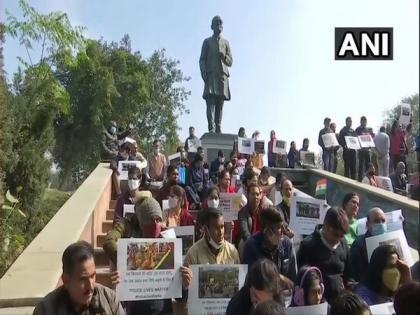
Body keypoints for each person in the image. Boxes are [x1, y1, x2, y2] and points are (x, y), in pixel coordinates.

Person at [103, 197, 173, 314]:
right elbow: (109, 242)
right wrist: (125, 263)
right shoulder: (128, 227)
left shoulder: (167, 238)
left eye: (158, 220)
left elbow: (179, 289)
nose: (156, 224)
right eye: (151, 220)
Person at [33, 241, 124, 315]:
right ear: (66, 280)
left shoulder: (110, 299)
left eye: (92, 276)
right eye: (83, 279)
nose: (90, 286)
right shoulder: (45, 310)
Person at [297, 207, 351, 302]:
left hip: (339, 301)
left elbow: (348, 272)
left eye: (341, 236)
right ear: (325, 226)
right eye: (335, 234)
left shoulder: (343, 244)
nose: (338, 239)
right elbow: (303, 279)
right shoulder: (308, 246)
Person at [181, 208, 240, 289]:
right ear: (206, 229)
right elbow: (184, 293)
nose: (221, 232)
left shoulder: (232, 251)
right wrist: (185, 285)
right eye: (216, 228)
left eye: (222, 227)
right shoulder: (193, 253)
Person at [242, 207, 297, 289]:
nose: (283, 230)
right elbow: (253, 279)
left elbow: (294, 278)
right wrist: (279, 278)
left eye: (283, 226)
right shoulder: (251, 246)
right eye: (279, 227)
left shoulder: (287, 244)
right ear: (267, 230)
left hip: (284, 297)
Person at [199, 15, 233, 133]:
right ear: (212, 26)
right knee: (211, 102)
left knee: (220, 103)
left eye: (221, 24)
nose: (219, 26)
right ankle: (211, 127)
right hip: (211, 74)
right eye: (216, 24)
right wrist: (203, 72)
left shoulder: (226, 43)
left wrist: (224, 56)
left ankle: (218, 126)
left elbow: (231, 61)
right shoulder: (207, 42)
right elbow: (202, 59)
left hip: (222, 75)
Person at [350, 207, 387, 282]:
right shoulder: (359, 245)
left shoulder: (389, 243)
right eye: (376, 221)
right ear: (367, 224)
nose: (381, 224)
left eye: (383, 221)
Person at [356, 116, 374, 181]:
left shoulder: (367, 129)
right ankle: (360, 180)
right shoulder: (357, 129)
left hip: (367, 150)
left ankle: (369, 179)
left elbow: (370, 138)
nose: (364, 123)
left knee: (368, 165)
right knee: (360, 165)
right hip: (361, 150)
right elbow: (356, 139)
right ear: (361, 121)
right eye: (363, 121)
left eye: (365, 121)